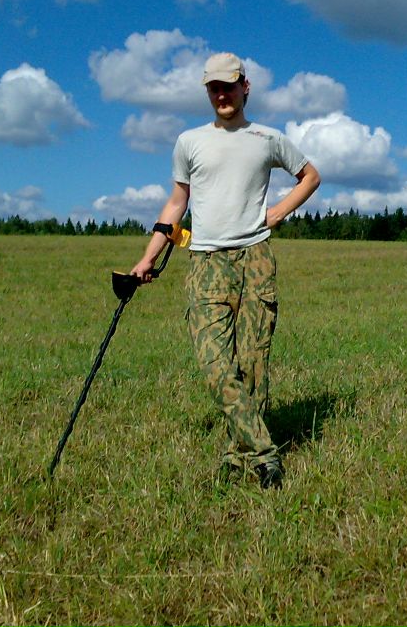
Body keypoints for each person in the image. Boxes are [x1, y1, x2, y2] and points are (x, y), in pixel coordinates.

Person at [130, 52, 321, 489]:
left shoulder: (267, 139)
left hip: (255, 259)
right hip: (205, 262)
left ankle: (241, 457)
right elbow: (176, 203)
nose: (221, 95)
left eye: (228, 86)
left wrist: (277, 214)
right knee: (215, 365)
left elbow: (310, 176)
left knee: (253, 365)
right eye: (213, 88)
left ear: (244, 86)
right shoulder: (189, 142)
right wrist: (147, 257)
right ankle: (266, 452)